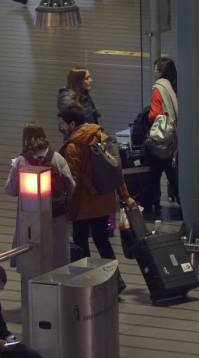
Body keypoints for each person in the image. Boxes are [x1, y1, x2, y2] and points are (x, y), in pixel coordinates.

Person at [59, 105, 136, 292]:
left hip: (83, 205)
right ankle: (116, 282)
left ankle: (88, 284)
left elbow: (72, 180)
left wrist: (63, 203)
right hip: (104, 202)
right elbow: (115, 171)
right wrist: (126, 197)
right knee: (102, 241)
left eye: (62, 123)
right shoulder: (102, 136)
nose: (61, 126)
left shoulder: (73, 146)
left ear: (72, 123)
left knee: (81, 243)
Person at [4, 124, 75, 268]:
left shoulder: (20, 162)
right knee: (57, 256)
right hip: (56, 216)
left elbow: (10, 190)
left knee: (32, 259)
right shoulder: (57, 158)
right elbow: (72, 185)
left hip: (29, 219)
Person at [145, 57, 179, 215]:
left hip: (164, 138)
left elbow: (154, 115)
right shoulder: (177, 85)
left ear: (160, 71)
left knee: (154, 171)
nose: (154, 71)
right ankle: (182, 201)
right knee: (174, 173)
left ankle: (152, 203)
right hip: (178, 135)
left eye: (155, 68)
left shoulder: (159, 88)